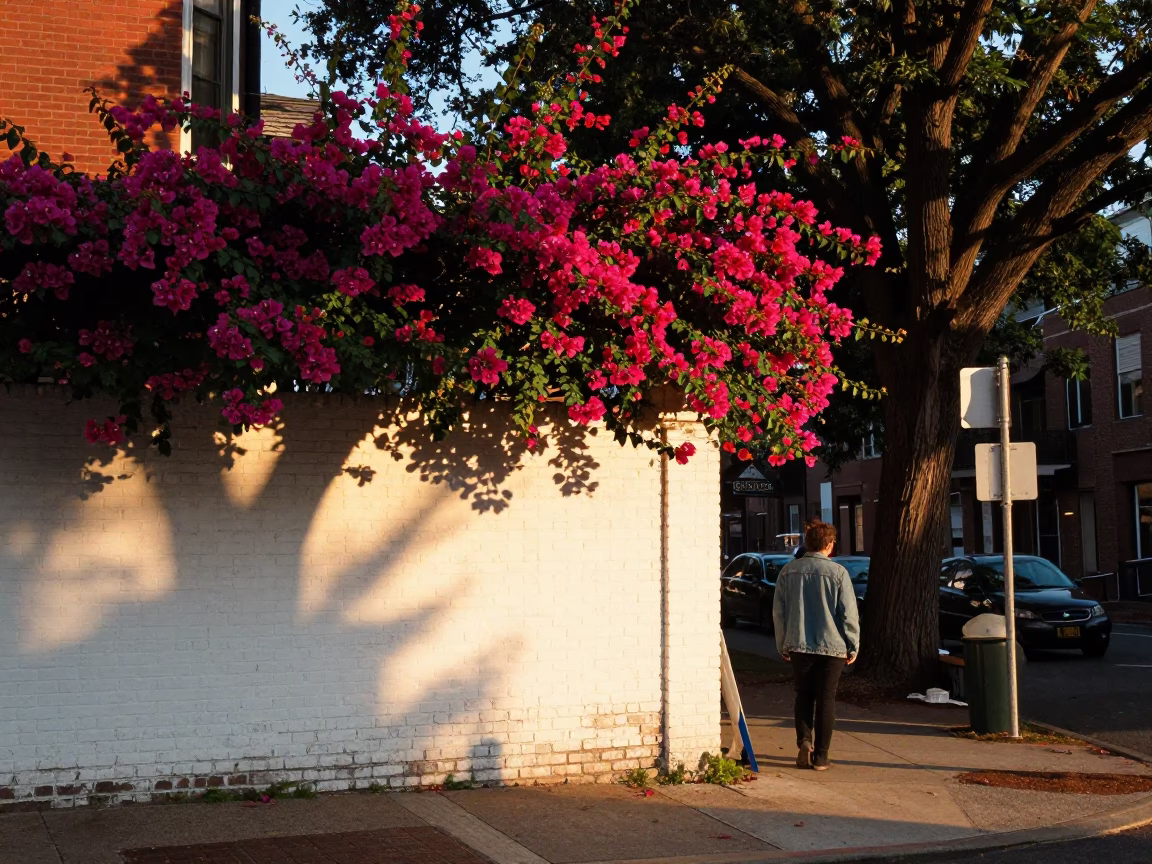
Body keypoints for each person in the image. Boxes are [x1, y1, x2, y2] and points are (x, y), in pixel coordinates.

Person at [772, 521, 860, 771]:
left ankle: (804, 741)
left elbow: (779, 613)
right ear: (830, 545)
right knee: (826, 699)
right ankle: (821, 756)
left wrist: (783, 644)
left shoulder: (788, 571)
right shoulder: (839, 573)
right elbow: (848, 615)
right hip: (832, 647)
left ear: (807, 543)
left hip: (799, 644)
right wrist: (852, 645)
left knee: (803, 695)